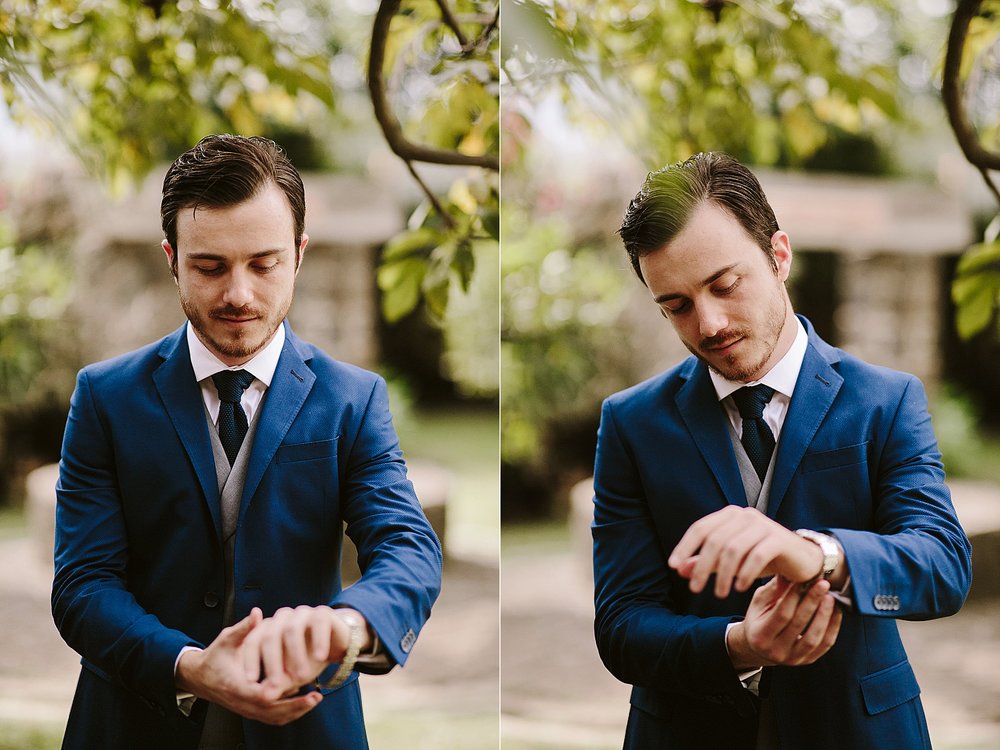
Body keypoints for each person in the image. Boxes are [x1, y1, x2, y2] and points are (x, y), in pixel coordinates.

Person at [52, 134, 442, 750]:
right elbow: (82, 585)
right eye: (211, 266)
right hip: (134, 722)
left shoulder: (354, 397)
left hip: (307, 727)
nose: (239, 294)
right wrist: (186, 665)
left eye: (264, 263)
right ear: (172, 258)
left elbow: (407, 544)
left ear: (299, 254)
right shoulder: (105, 398)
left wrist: (349, 624)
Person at [593, 152, 972, 749]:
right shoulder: (630, 424)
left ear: (780, 255)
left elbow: (943, 569)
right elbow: (620, 627)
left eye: (724, 284)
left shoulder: (887, 400)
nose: (710, 324)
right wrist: (738, 645)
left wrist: (818, 555)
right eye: (677, 306)